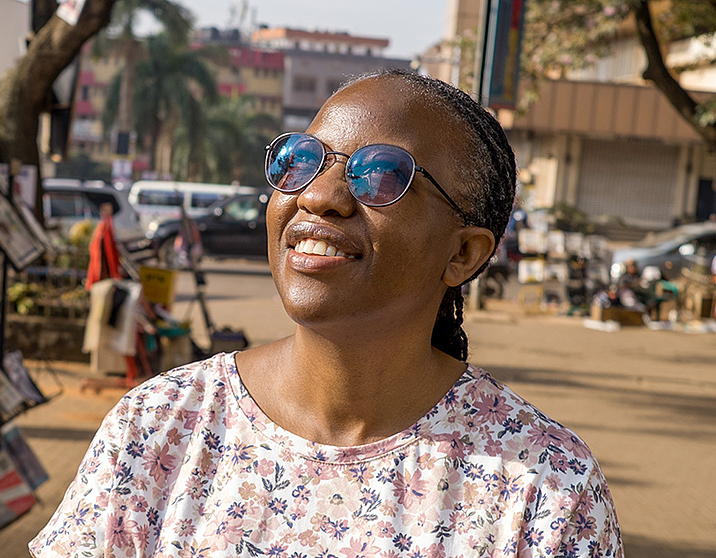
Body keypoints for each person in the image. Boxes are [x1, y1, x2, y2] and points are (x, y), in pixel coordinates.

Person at [30, 69, 622, 557]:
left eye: (381, 174)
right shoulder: (160, 429)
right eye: (301, 160)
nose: (317, 196)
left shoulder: (544, 488)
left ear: (463, 253)